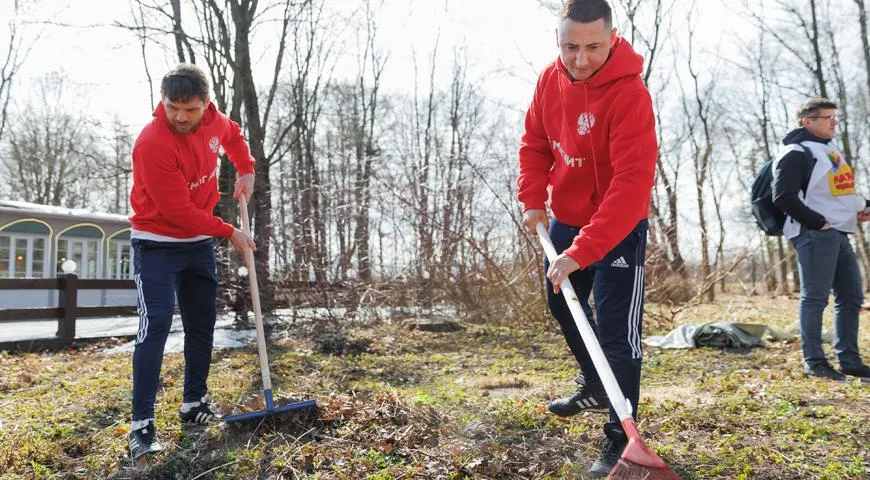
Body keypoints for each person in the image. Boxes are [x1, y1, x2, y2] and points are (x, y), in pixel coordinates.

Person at [516, 0, 657, 476]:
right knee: (562, 303)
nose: (579, 58)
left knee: (618, 335)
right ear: (558, 41)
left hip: (619, 224)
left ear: (612, 39)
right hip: (568, 215)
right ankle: (597, 385)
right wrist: (533, 196)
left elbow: (631, 184)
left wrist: (582, 252)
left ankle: (620, 438)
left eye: (593, 47)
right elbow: (534, 142)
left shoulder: (630, 94)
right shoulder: (548, 80)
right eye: (570, 46)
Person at [127, 63, 258, 459]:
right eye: (173, 108)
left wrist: (247, 168)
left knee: (202, 324)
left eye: (190, 109)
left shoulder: (216, 123)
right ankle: (142, 425)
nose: (181, 117)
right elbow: (177, 212)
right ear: (163, 102)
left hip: (198, 243)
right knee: (157, 324)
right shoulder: (152, 143)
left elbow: (234, 138)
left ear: (205, 104)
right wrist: (229, 231)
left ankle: (193, 404)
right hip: (156, 242)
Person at [772, 97, 870, 383]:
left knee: (851, 297)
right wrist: (819, 223)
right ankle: (814, 362)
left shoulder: (830, 151)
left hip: (840, 232)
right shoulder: (796, 152)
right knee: (815, 298)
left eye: (834, 117)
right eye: (828, 117)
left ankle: (850, 362)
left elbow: (839, 192)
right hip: (816, 235)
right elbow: (783, 197)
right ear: (807, 121)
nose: (834, 122)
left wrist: (861, 207)